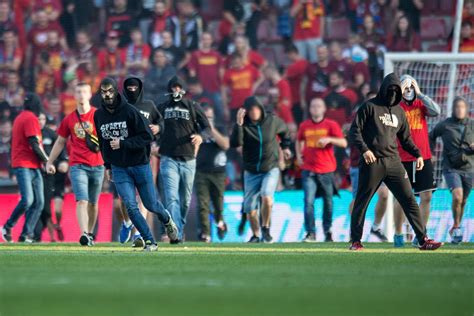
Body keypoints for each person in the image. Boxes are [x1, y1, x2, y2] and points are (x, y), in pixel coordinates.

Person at [348, 73, 442, 251]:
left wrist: (418, 154)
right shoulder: (369, 106)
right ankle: (356, 241)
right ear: (384, 89)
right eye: (390, 90)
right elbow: (354, 131)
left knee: (409, 199)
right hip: (372, 161)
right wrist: (365, 150)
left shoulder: (399, 111)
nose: (392, 93)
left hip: (393, 162)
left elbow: (406, 139)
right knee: (362, 201)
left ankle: (423, 239)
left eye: (395, 90)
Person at [93, 77, 178, 251]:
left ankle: (167, 219)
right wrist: (107, 166)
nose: (107, 94)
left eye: (110, 91)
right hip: (119, 168)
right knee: (130, 206)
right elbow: (102, 142)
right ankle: (149, 240)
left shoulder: (130, 111)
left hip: (140, 164)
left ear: (116, 91)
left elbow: (147, 136)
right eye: (103, 92)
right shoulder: (98, 115)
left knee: (150, 204)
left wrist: (123, 143)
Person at [46, 83, 105, 246]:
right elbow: (60, 142)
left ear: (89, 94)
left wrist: (111, 164)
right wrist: (50, 161)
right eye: (78, 92)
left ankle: (90, 233)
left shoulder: (99, 115)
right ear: (74, 95)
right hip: (77, 165)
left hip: (98, 164)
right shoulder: (69, 119)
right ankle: (84, 233)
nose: (81, 95)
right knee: (82, 200)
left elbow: (107, 139)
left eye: (84, 92)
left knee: (93, 203)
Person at [230, 96, 291, 243]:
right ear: (246, 112)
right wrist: (238, 124)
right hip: (251, 170)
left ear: (261, 108)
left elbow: (285, 133)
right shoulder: (243, 124)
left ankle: (266, 228)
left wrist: (286, 147)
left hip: (270, 167)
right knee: (249, 207)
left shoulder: (272, 121)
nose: (254, 112)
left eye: (256, 108)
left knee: (266, 195)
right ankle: (256, 235)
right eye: (250, 110)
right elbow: (235, 143)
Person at [158, 76, 209, 243]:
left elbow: (207, 127)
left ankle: (178, 227)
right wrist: (153, 141)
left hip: (189, 159)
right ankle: (177, 233)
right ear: (169, 90)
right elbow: (149, 126)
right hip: (168, 158)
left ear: (184, 89)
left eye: (179, 87)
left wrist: (201, 137)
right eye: (173, 87)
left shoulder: (193, 106)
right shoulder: (162, 107)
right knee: (172, 198)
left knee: (185, 200)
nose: (176, 90)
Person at [393, 74, 440, 247]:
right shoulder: (395, 105)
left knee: (426, 196)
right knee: (401, 197)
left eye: (411, 86)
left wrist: (419, 93)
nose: (409, 90)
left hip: (423, 157)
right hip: (401, 158)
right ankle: (398, 234)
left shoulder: (421, 104)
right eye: (406, 86)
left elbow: (437, 111)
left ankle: (420, 234)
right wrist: (398, 92)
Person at [296, 98, 347, 242]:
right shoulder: (304, 125)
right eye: (313, 106)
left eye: (319, 106)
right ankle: (310, 233)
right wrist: (299, 155)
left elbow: (343, 142)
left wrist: (330, 139)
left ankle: (327, 230)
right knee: (308, 201)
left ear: (324, 109)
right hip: (309, 169)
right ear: (310, 109)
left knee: (328, 202)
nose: (316, 108)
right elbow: (299, 139)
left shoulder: (331, 125)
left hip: (326, 169)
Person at [120, 76, 163, 247]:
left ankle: (138, 233)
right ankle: (126, 223)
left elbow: (161, 123)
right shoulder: (120, 107)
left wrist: (159, 128)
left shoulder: (149, 106)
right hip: (123, 156)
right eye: (129, 87)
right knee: (124, 200)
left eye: (135, 87)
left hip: (145, 156)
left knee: (144, 197)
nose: (132, 90)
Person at [1, 93, 48, 243]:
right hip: (24, 164)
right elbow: (34, 143)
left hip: (31, 164)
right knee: (29, 200)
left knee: (38, 201)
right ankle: (8, 227)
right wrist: (47, 161)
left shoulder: (20, 117)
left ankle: (25, 234)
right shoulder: (30, 118)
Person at [430, 97, 473, 244]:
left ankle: (457, 226)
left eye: (462, 107)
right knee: (457, 196)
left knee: (463, 200)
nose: (460, 109)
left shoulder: (472, 125)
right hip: (450, 168)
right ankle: (456, 226)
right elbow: (431, 136)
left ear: (466, 109)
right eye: (457, 107)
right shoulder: (445, 125)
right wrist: (431, 154)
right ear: (453, 109)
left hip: (469, 167)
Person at [195, 104, 229, 242]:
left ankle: (220, 222)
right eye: (205, 117)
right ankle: (206, 235)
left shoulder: (220, 128)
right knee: (202, 204)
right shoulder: (196, 129)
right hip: (201, 171)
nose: (207, 119)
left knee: (218, 203)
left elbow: (226, 145)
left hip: (218, 172)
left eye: (210, 116)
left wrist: (212, 129)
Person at [34, 114, 68, 242]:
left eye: (42, 119)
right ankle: (52, 237)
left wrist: (64, 161)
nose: (40, 122)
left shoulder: (51, 134)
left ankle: (57, 225)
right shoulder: (32, 134)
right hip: (42, 175)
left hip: (56, 176)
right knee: (46, 207)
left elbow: (61, 148)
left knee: (57, 210)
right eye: (38, 119)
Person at [188, 32, 225, 121]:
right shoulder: (195, 54)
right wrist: (195, 86)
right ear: (201, 40)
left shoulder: (217, 55)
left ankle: (221, 131)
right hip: (200, 90)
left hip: (215, 88)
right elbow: (192, 72)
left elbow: (221, 72)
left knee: (219, 112)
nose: (206, 41)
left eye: (208, 39)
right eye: (204, 39)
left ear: (211, 40)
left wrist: (222, 87)